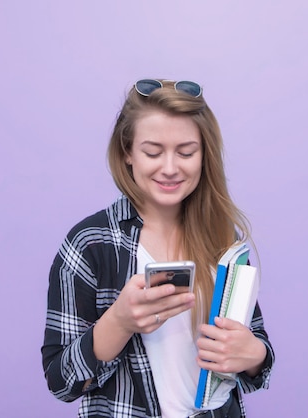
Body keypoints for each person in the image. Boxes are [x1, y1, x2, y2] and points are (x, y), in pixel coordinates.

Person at [41, 78, 274, 418]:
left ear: (204, 155)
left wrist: (253, 354)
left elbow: (254, 351)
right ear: (128, 153)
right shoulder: (90, 244)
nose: (169, 168)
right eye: (152, 152)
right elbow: (61, 381)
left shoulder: (223, 237)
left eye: (186, 152)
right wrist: (119, 322)